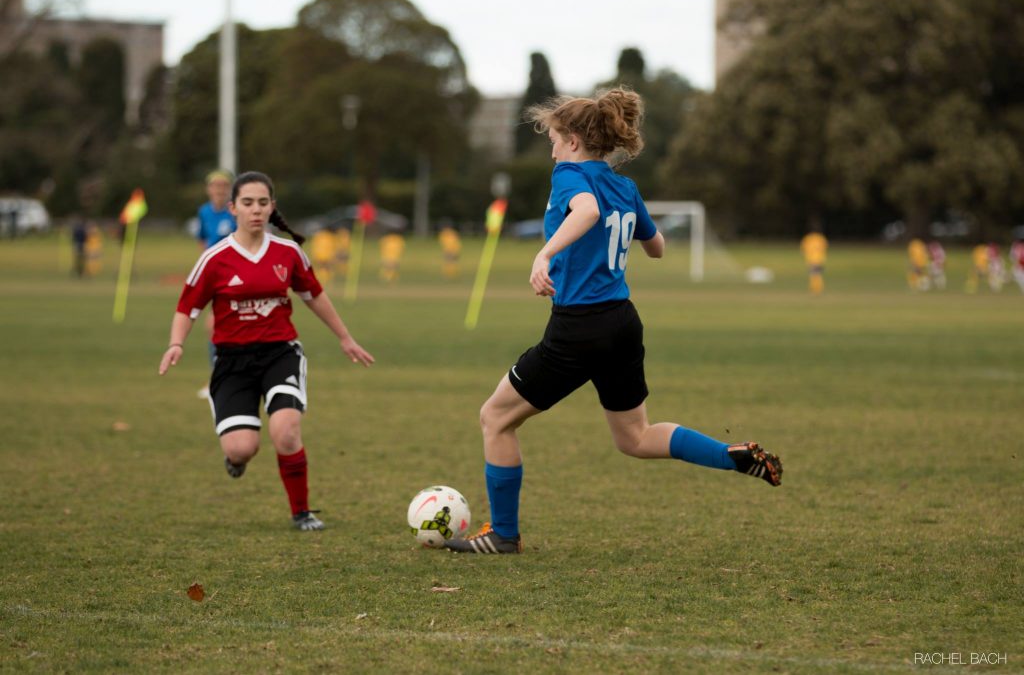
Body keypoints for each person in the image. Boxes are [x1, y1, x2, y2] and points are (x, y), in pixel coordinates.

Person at [444, 88, 782, 555]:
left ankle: (503, 536)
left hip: (578, 327)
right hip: (622, 323)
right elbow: (657, 246)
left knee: (495, 418)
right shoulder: (624, 186)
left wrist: (545, 253)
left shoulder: (569, 176)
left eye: (557, 139)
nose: (553, 148)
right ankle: (731, 456)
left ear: (576, 142)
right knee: (636, 437)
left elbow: (586, 210)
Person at [158, 171, 375, 531]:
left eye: (262, 203)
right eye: (247, 203)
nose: (255, 210)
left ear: (272, 207)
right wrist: (176, 343)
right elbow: (188, 307)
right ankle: (236, 457)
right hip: (232, 361)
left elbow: (314, 297)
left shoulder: (288, 253)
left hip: (280, 353)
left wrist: (345, 337)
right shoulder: (215, 258)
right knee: (242, 448)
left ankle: (302, 513)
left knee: (286, 431)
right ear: (233, 208)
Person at [196, 170, 237, 399]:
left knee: (216, 325)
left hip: (235, 275)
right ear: (208, 189)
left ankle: (220, 378)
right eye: (215, 186)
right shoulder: (203, 212)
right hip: (214, 275)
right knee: (216, 327)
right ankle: (219, 377)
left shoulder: (236, 212)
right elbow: (203, 240)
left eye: (224, 185)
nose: (219, 190)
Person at [800, 227, 828, 294]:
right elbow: (825, 247)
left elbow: (803, 248)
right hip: (820, 259)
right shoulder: (821, 238)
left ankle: (815, 289)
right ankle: (818, 288)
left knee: (813, 274)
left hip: (811, 259)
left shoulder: (808, 238)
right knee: (818, 274)